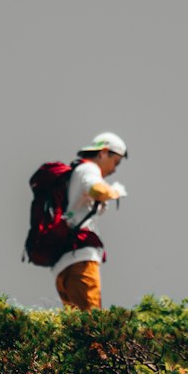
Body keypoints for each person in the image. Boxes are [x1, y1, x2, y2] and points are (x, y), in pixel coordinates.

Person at [54, 132, 128, 311]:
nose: (114, 169)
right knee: (92, 323)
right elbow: (96, 189)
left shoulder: (74, 173)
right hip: (81, 261)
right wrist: (115, 192)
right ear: (103, 152)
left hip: (64, 265)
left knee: (75, 326)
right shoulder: (89, 169)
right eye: (115, 162)